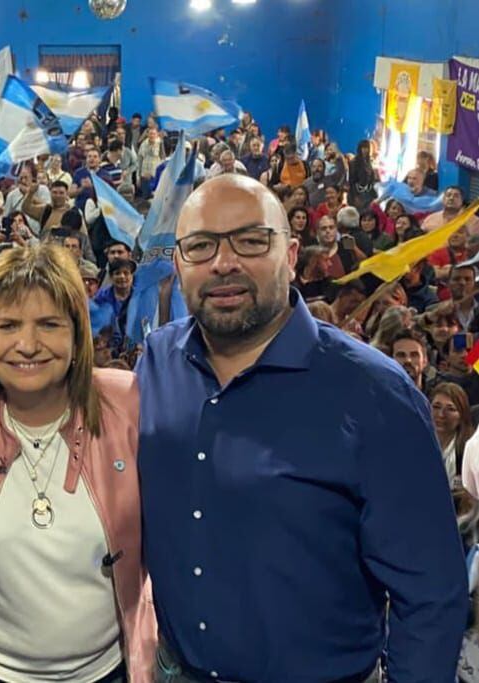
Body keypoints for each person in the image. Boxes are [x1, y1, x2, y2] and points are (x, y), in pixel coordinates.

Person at [137, 173, 466, 682]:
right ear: (178, 263)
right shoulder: (156, 362)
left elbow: (429, 595)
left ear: (291, 255)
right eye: (200, 246)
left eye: (250, 241)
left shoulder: (377, 394)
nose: (224, 263)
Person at [0, 243, 155, 682]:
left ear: (78, 334)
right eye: (7, 325)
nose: (28, 345)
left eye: (49, 325)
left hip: (108, 671)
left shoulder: (126, 403)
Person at [429, 382, 474, 488]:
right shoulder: (415, 444)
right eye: (436, 407)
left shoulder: (469, 452)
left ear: (462, 415)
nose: (441, 414)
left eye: (450, 409)